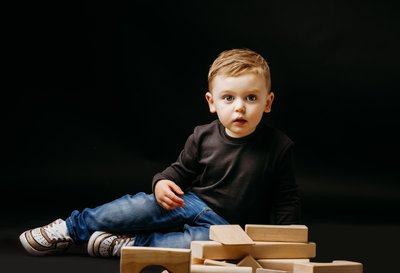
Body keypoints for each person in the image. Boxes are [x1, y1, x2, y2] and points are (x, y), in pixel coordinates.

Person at [19, 48, 301, 258]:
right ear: (212, 102)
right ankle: (72, 228)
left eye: (251, 98)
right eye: (229, 98)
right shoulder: (202, 136)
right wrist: (162, 182)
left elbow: (285, 198)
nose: (239, 107)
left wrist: (284, 239)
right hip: (190, 202)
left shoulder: (278, 146)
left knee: (198, 247)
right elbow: (179, 170)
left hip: (229, 227)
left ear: (268, 102)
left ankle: (130, 245)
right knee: (137, 206)